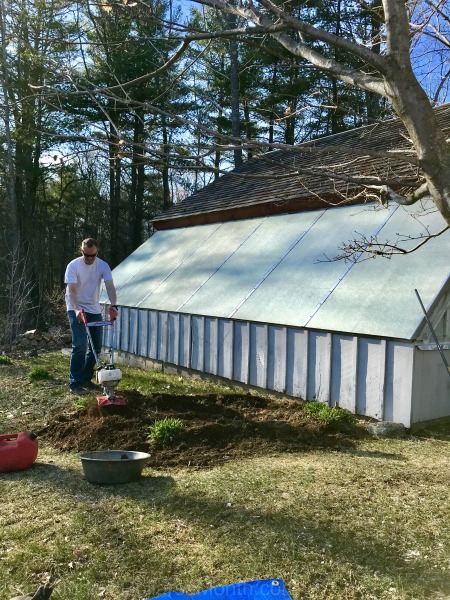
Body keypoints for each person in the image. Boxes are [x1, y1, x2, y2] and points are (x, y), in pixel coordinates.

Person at [64, 238, 118, 395]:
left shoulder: (103, 265)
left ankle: (86, 378)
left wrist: (113, 306)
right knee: (80, 344)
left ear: (97, 252)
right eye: (86, 255)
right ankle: (75, 383)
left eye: (92, 255)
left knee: (96, 347)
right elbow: (71, 291)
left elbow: (110, 287)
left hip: (94, 308)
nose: (89, 258)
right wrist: (76, 310)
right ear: (81, 252)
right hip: (75, 307)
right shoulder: (73, 266)